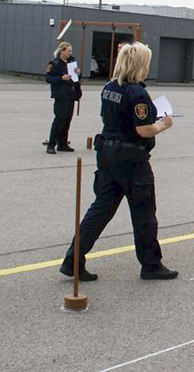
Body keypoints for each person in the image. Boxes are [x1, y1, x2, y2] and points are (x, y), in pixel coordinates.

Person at [59, 42, 177, 282]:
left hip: (108, 154)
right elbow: (143, 129)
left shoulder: (109, 87)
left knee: (100, 210)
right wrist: (163, 124)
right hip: (131, 158)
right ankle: (151, 265)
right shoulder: (137, 92)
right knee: (144, 213)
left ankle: (73, 260)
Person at [45, 42, 81, 154]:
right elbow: (48, 78)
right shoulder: (54, 63)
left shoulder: (71, 62)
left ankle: (63, 143)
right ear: (62, 51)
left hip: (71, 94)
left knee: (67, 120)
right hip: (61, 95)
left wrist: (78, 73)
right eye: (68, 50)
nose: (70, 53)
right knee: (59, 120)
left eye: (71, 50)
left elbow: (76, 78)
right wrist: (61, 78)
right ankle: (51, 144)